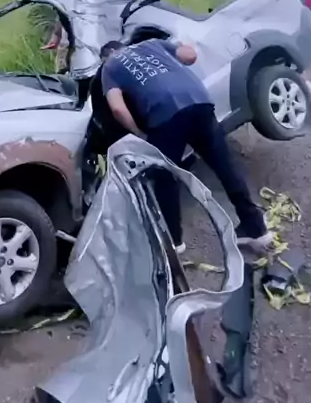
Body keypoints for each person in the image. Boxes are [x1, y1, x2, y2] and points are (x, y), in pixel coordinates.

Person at [101, 38, 272, 253]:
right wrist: (183, 44)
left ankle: (174, 242)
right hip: (199, 102)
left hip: (164, 115)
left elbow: (117, 109)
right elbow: (190, 56)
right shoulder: (151, 43)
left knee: (165, 178)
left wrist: (140, 134)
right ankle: (256, 229)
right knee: (225, 166)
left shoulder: (110, 67)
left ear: (106, 56)